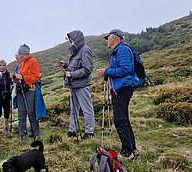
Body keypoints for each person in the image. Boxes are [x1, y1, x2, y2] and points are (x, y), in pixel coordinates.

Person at [97, 29, 138, 159]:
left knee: (120, 120)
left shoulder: (122, 50)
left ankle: (128, 151)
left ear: (114, 38)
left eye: (108, 38)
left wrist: (107, 72)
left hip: (123, 88)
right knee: (123, 119)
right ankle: (131, 149)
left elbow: (125, 70)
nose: (107, 41)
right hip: (120, 88)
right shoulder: (118, 51)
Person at [57, 30, 95, 139]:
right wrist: (65, 65)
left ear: (77, 39)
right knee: (74, 109)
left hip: (82, 85)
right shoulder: (76, 51)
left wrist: (72, 74)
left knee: (86, 108)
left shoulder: (85, 50)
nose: (71, 42)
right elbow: (75, 65)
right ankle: (72, 130)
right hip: (74, 85)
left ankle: (89, 132)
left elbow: (87, 69)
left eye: (72, 40)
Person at [11, 44, 41, 140]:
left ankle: (35, 133)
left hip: (30, 90)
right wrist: (15, 77)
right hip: (21, 90)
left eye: (21, 54)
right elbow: (19, 75)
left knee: (31, 111)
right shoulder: (22, 63)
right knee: (21, 112)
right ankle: (22, 134)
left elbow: (36, 77)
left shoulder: (33, 62)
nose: (20, 56)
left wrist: (23, 78)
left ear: (25, 53)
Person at [0, 60, 12, 133]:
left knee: (7, 111)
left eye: (3, 65)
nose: (1, 67)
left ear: (5, 66)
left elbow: (11, 84)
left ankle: (6, 127)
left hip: (7, 96)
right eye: (0, 65)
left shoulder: (8, 75)